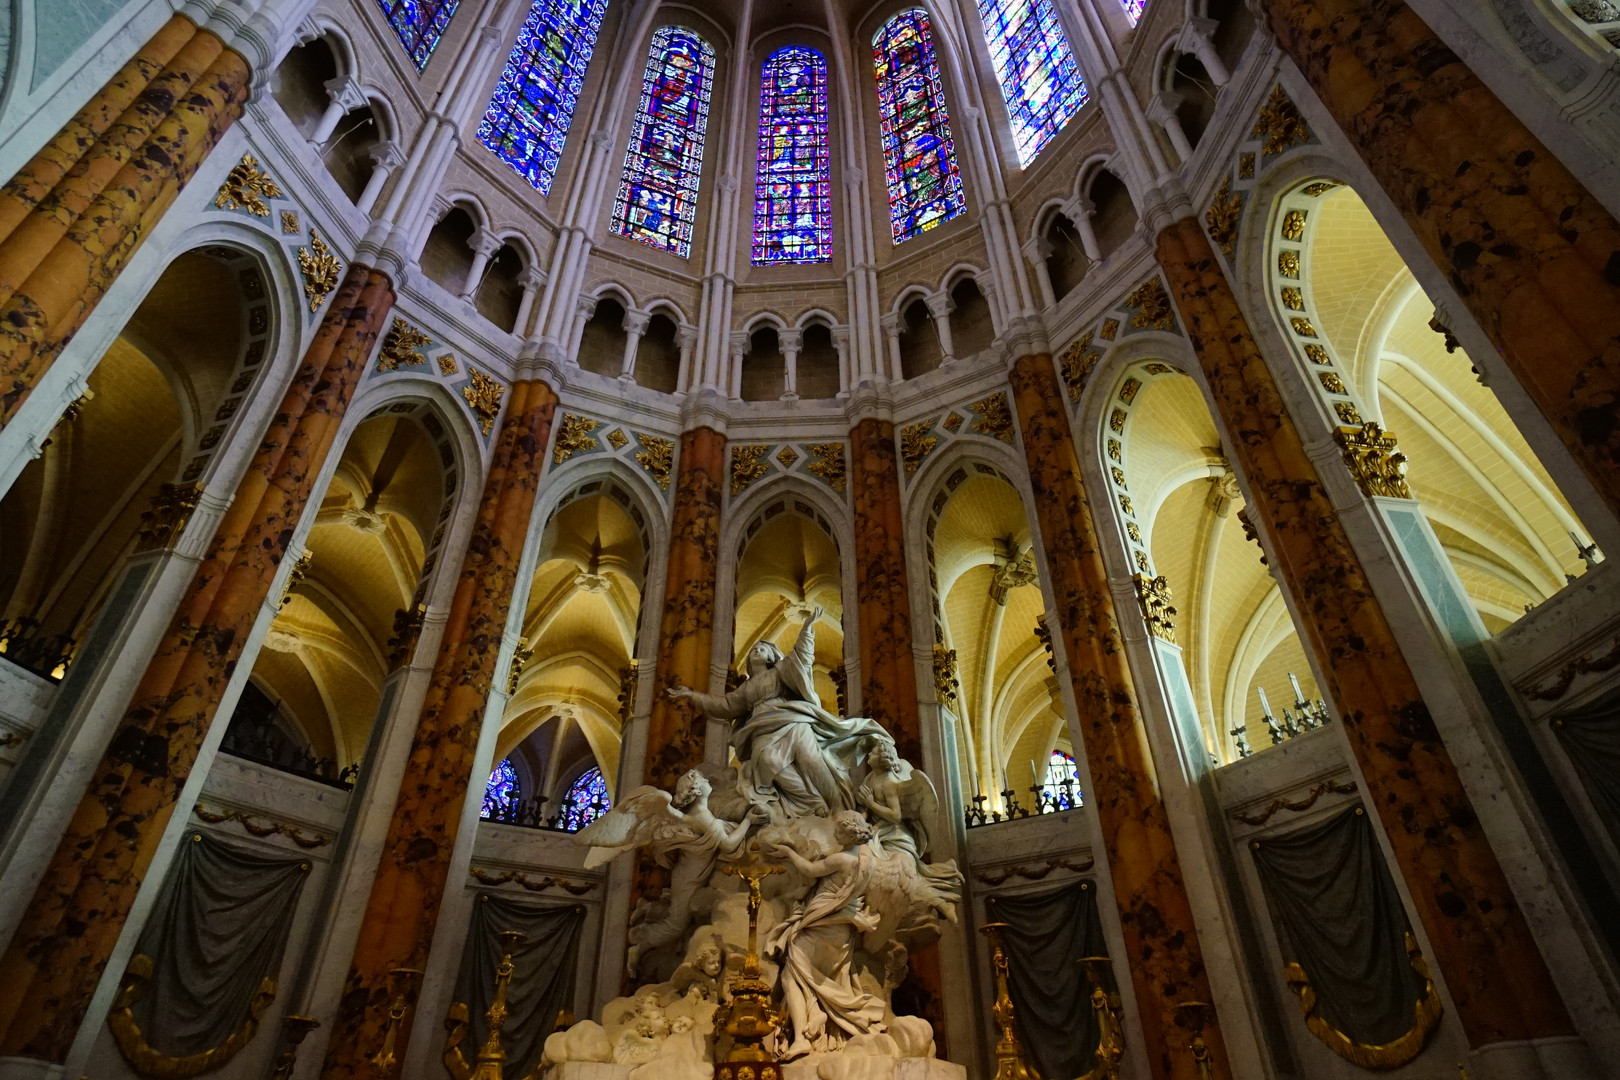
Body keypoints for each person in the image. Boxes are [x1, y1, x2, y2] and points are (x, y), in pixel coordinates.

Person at [666, 605, 890, 819]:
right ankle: (814, 804)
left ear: (771, 657)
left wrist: (807, 629)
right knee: (767, 761)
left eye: (762, 649)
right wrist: (692, 696)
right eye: (753, 650)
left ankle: (836, 804)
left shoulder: (780, 672)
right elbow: (724, 705)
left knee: (810, 758)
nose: (756, 651)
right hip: (760, 728)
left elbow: (801, 658)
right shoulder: (746, 688)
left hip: (791, 720)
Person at [765, 811, 887, 1056]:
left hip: (823, 924)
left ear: (850, 833)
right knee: (813, 976)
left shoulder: (841, 859)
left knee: (790, 975)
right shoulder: (869, 860)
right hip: (842, 931)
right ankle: (815, 1013)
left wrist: (788, 853)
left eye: (839, 831)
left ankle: (802, 1038)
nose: (835, 834)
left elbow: (809, 870)